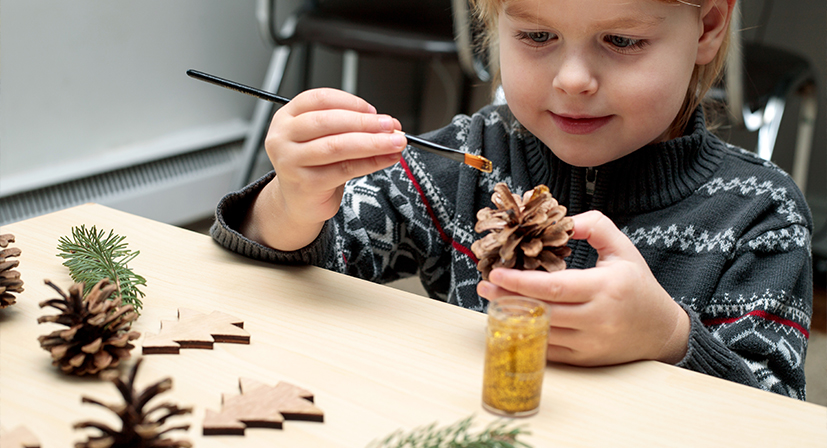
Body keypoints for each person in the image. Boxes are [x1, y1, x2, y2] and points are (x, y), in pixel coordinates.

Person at [211, 0, 813, 399]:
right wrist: (293, 201)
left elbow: (778, 413)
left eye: (623, 40)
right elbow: (312, 264)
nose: (572, 79)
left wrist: (670, 339)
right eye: (537, 35)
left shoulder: (761, 213)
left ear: (707, 26)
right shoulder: (461, 160)